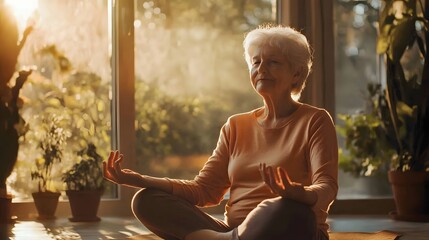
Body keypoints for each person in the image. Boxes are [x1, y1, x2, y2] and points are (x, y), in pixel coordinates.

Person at [103, 24, 338, 240]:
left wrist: (300, 194)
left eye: (273, 62)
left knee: (290, 209)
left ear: (296, 74)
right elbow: (204, 190)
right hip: (232, 231)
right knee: (147, 200)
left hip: (291, 229)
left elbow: (326, 187)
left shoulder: (315, 120)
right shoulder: (236, 125)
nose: (262, 69)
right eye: (256, 62)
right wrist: (141, 180)